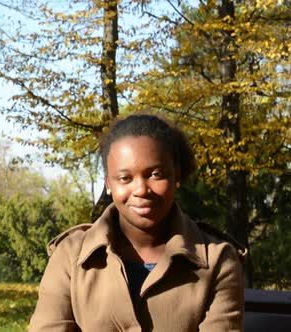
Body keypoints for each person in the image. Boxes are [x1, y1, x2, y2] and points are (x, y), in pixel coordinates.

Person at [29, 114, 246, 331]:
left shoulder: (217, 260)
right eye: (125, 178)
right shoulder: (70, 255)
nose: (141, 189)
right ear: (108, 183)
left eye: (155, 174)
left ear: (176, 176)